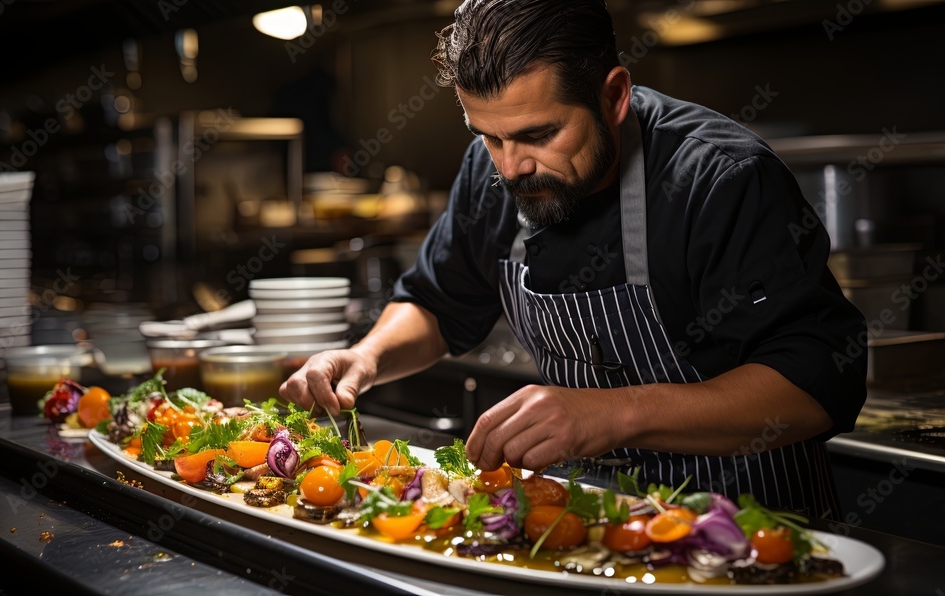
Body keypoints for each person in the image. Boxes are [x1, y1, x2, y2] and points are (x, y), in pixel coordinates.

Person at [280, 0, 867, 518]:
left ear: (614, 96)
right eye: (490, 136)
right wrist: (366, 356)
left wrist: (614, 413)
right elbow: (438, 302)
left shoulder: (719, 178)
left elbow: (817, 382)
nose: (510, 167)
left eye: (539, 135)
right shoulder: (494, 168)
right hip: (590, 527)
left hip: (750, 529)